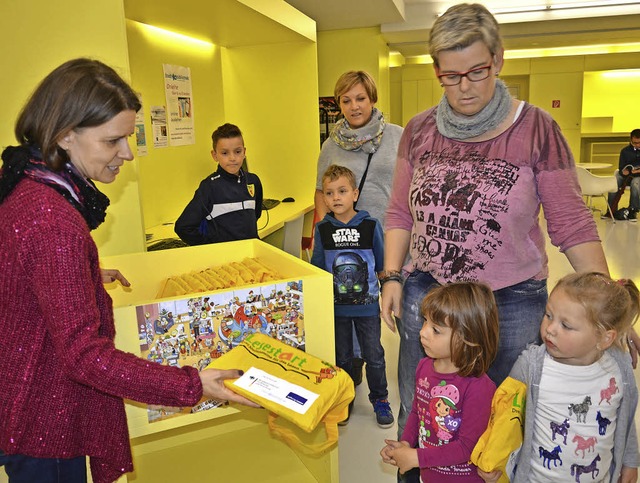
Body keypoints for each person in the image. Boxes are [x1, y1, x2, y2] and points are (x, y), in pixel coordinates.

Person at [379, 4, 638, 481]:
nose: (464, 87)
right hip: (429, 298)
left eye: (476, 71)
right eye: (450, 76)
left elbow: (572, 223)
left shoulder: (536, 128)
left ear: (498, 59)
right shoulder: (417, 131)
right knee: (423, 416)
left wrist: (609, 306)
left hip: (509, 306)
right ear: (436, 71)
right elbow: (399, 212)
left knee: (500, 426)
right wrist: (393, 274)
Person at [0, 58, 257, 483]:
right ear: (65, 135)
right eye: (113, 141)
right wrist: (189, 385)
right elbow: (85, 356)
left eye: (130, 137)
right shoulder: (51, 219)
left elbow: (16, 267)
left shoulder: (29, 187)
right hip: (43, 417)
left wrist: (76, 275)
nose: (127, 153)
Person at [479, 272, 640, 483]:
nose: (551, 329)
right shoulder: (532, 365)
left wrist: (630, 461)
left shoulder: (619, 368)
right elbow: (504, 416)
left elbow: (625, 420)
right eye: (548, 315)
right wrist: (495, 460)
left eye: (566, 325)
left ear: (604, 338)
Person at [315, 70, 404, 385]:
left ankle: (412, 380)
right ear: (339, 104)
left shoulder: (398, 136)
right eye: (346, 100)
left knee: (406, 316)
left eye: (361, 98)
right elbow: (320, 192)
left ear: (372, 99)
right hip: (348, 247)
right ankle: (351, 382)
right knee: (353, 318)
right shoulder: (331, 146)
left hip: (394, 241)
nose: (354, 106)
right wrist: (318, 242)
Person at [380, 282, 499, 481]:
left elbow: (466, 447)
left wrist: (416, 457)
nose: (423, 332)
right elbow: (418, 413)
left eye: (436, 330)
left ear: (466, 339)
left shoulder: (479, 387)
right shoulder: (424, 368)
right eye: (425, 321)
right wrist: (406, 444)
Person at [310, 165, 394, 428]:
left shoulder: (370, 225)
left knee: (375, 356)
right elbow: (317, 267)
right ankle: (345, 398)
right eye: (330, 193)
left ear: (355, 194)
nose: (336, 198)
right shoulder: (323, 230)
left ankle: (380, 399)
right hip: (337, 309)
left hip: (367, 307)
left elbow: (382, 263)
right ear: (324, 197)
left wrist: (387, 292)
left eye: (343, 191)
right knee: (342, 357)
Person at [175, 123, 263, 245]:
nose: (232, 158)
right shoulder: (209, 187)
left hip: (252, 252)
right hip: (225, 258)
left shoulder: (253, 181)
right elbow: (183, 227)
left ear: (244, 152)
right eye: (225, 153)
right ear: (215, 155)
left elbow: (255, 215)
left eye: (237, 151)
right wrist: (210, 247)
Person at [606, 128, 640, 217]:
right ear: (631, 140)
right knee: (614, 182)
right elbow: (621, 168)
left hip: (638, 177)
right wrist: (623, 171)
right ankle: (611, 210)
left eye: (639, 143)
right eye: (635, 143)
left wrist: (636, 171)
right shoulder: (625, 151)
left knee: (635, 183)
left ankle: (633, 210)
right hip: (627, 175)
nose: (637, 145)